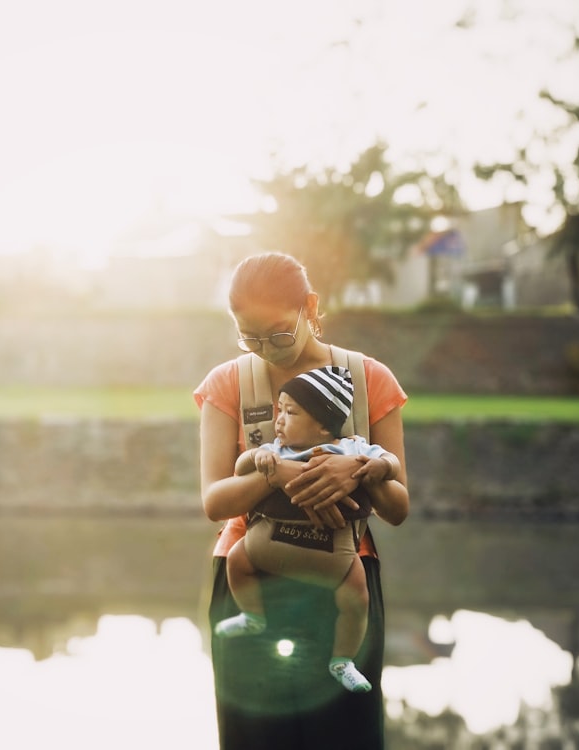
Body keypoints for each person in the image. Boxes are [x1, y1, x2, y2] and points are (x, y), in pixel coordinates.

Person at [194, 252, 409, 749]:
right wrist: (281, 473)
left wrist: (355, 468)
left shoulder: (369, 378)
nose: (266, 350)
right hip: (249, 573)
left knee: (345, 733)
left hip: (341, 577)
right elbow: (214, 501)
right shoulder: (228, 383)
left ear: (310, 307)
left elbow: (397, 508)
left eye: (279, 333)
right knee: (254, 736)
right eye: (249, 337)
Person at [213, 366, 408, 697]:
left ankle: (342, 659)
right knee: (236, 559)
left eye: (291, 412)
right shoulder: (275, 450)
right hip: (264, 550)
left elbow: (392, 464)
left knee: (357, 597)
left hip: (336, 559)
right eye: (279, 410)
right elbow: (239, 469)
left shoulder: (353, 450)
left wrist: (377, 468)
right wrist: (259, 459)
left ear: (322, 425)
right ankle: (253, 614)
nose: (279, 420)